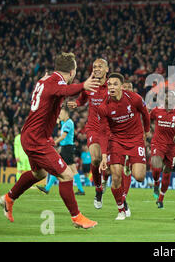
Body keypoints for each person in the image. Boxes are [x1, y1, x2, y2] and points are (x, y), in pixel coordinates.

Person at [0, 52, 100, 229]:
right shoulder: (56, 82)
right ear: (72, 71)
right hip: (36, 139)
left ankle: (8, 199)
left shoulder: (46, 80)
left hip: (31, 135)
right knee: (67, 175)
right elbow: (64, 90)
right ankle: (77, 217)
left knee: (40, 174)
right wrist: (83, 85)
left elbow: (58, 91)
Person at [97, 73, 150, 220]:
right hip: (117, 141)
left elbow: (146, 115)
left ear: (121, 86)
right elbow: (102, 133)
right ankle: (121, 209)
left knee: (139, 176)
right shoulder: (104, 106)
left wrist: (146, 131)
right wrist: (103, 155)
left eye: (115, 84)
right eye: (109, 84)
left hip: (135, 139)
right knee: (116, 177)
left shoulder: (135, 99)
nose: (112, 87)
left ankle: (129, 164)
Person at [67, 58, 109, 209]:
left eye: (100, 66)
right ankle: (98, 190)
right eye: (94, 66)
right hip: (93, 127)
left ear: (106, 69)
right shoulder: (89, 85)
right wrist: (76, 103)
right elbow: (82, 99)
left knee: (110, 167)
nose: (96, 68)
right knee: (96, 159)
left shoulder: (111, 86)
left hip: (110, 129)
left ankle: (120, 197)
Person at [150, 90, 175, 209]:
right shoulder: (157, 110)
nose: (169, 99)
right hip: (158, 144)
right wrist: (151, 130)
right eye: (168, 97)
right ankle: (156, 183)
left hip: (171, 147)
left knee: (166, 173)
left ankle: (160, 199)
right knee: (156, 168)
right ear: (165, 99)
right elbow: (149, 119)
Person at [36, 107, 85, 195]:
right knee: (58, 168)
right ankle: (47, 188)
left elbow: (63, 136)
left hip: (67, 148)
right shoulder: (64, 122)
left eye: (61, 113)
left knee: (69, 169)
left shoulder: (69, 123)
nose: (60, 115)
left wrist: (54, 142)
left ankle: (80, 190)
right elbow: (57, 121)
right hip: (65, 148)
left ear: (66, 114)